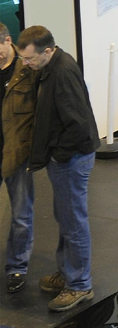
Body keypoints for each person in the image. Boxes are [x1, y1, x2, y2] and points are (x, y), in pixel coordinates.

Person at [20, 26, 98, 313]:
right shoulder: (52, 66)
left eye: (30, 59)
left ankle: (79, 286)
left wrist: (56, 155)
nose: (26, 65)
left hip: (70, 160)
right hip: (67, 158)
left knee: (73, 223)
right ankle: (68, 273)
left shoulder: (62, 73)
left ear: (48, 51)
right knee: (65, 218)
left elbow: (78, 126)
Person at [2, 24, 35, 296]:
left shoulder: (27, 71)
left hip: (16, 151)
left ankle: (17, 267)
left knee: (22, 213)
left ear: (8, 42)